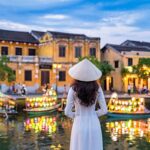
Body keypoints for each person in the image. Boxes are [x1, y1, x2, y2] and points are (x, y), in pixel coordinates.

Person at [65, 59, 108, 150]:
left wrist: (78, 115)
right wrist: (92, 114)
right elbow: (104, 110)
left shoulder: (73, 89)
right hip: (94, 124)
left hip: (79, 124)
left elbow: (67, 112)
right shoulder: (98, 88)